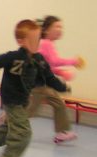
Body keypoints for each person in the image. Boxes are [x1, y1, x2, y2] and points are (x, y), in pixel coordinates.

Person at [0, 20, 68, 157]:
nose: (36, 43)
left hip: (23, 100)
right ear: (20, 41)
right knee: (24, 133)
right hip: (11, 100)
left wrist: (62, 87)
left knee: (12, 128)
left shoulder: (39, 60)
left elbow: (49, 77)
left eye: (38, 40)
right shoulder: (13, 58)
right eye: (32, 40)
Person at [26, 15, 83, 144]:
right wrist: (73, 61)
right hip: (38, 84)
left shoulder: (47, 44)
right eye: (57, 26)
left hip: (42, 82)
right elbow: (54, 61)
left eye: (61, 27)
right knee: (30, 110)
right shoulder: (46, 44)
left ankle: (62, 133)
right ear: (46, 30)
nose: (60, 29)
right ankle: (7, 123)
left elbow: (48, 65)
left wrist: (61, 72)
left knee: (58, 103)